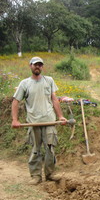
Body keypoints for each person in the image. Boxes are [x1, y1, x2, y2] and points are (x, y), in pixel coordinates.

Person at [11, 57, 67, 185]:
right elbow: (15, 102)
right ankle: (36, 176)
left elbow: (54, 99)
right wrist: (15, 120)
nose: (38, 67)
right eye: (35, 65)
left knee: (50, 148)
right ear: (30, 66)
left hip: (49, 120)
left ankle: (50, 174)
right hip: (33, 121)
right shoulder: (24, 83)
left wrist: (60, 117)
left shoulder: (49, 81)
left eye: (40, 65)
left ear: (42, 67)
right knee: (36, 149)